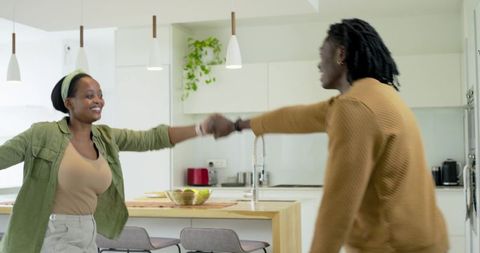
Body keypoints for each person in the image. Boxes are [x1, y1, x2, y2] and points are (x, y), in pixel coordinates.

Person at [208, 18, 448, 253]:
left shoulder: (354, 109)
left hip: (391, 246)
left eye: (322, 52)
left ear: (340, 54)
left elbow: (338, 205)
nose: (319, 64)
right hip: (423, 240)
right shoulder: (378, 95)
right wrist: (236, 125)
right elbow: (296, 117)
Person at [0, 69, 212, 253]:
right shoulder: (43, 134)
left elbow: (151, 138)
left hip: (88, 232)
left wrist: (200, 129)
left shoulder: (105, 137)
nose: (98, 100)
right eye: (89, 96)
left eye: (100, 95)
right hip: (53, 233)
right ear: (69, 103)